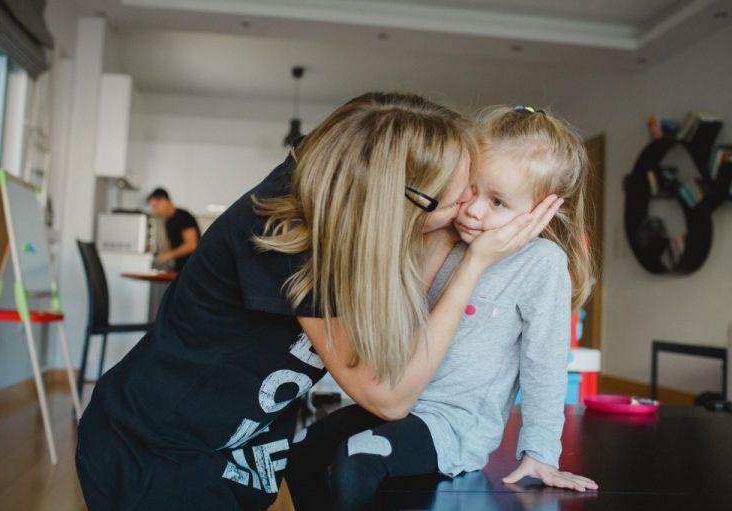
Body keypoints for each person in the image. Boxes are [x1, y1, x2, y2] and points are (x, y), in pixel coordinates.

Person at [75, 93, 562, 510]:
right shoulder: (292, 237)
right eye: (459, 200)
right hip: (158, 450)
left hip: (236, 443)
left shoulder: (353, 204)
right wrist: (475, 263)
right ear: (397, 199)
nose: (468, 212)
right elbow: (390, 397)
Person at [285, 105, 598, 510]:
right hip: (402, 405)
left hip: (454, 424)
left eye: (497, 202)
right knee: (302, 451)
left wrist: (540, 453)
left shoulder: (542, 264)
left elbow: (545, 363)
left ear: (543, 210)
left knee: (357, 460)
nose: (473, 210)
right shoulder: (447, 238)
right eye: (471, 189)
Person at [146, 188, 201, 272]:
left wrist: (169, 255)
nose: (155, 211)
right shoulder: (168, 221)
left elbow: (192, 245)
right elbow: (173, 245)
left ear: (164, 201)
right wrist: (163, 254)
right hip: (180, 268)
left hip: (192, 268)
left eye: (155, 207)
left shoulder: (183, 216)